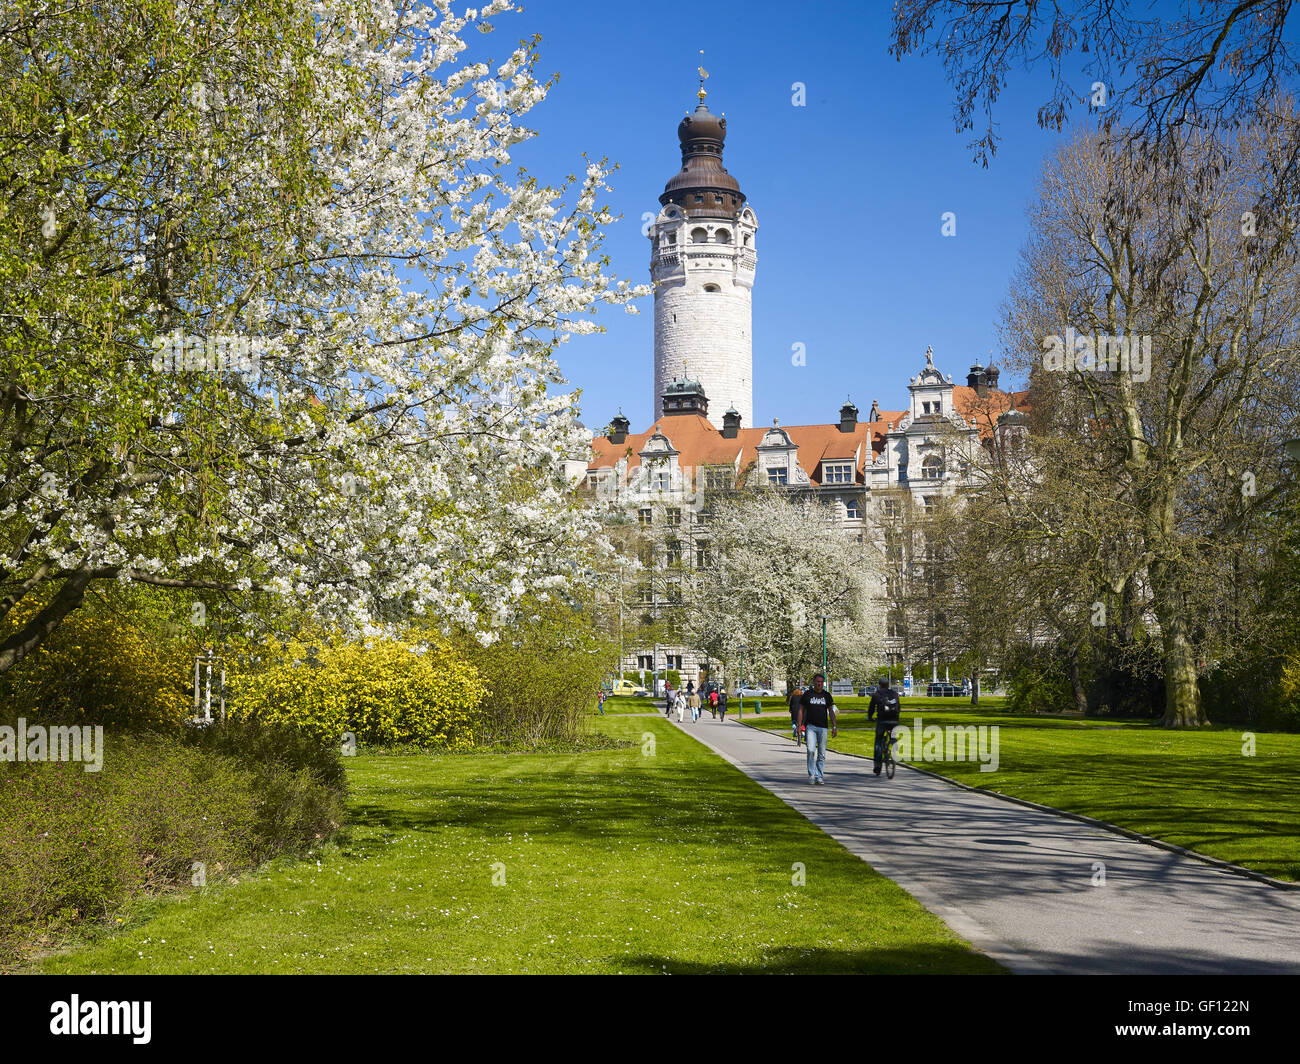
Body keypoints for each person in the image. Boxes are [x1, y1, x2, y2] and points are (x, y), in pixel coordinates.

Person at [797, 675, 836, 784]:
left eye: (821, 682)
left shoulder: (826, 695)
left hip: (823, 727)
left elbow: (831, 711)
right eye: (817, 681)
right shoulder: (808, 695)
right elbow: (800, 710)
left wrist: (834, 726)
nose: (819, 684)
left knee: (822, 753)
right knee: (810, 749)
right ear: (814, 682)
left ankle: (819, 775)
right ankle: (811, 774)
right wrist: (799, 726)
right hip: (811, 727)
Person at [867, 677, 903, 776]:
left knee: (878, 741)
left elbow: (871, 708)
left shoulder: (877, 695)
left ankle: (878, 766)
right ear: (888, 685)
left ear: (880, 685)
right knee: (893, 735)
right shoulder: (895, 694)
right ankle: (893, 743)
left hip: (882, 720)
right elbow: (899, 707)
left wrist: (870, 717)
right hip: (894, 721)